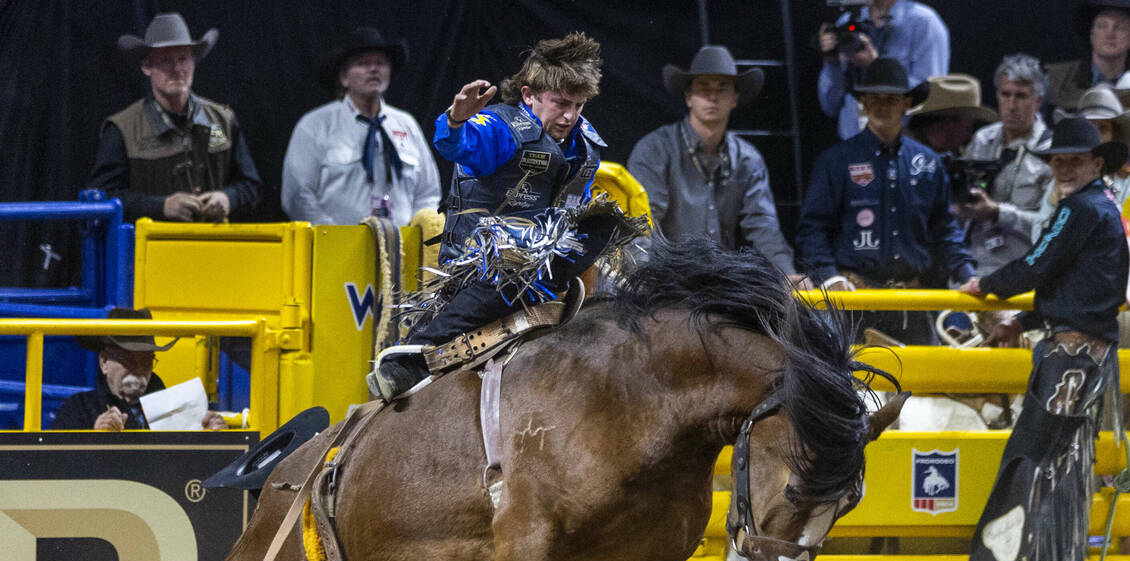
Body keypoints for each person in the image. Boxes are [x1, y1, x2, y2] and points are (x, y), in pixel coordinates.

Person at [369, 32, 638, 402]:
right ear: (529, 95)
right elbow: (459, 144)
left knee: (605, 223)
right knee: (518, 265)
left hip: (544, 261)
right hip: (482, 260)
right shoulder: (500, 128)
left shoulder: (584, 145)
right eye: (560, 103)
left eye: (578, 105)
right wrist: (456, 120)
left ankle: (557, 294)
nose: (569, 115)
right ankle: (409, 356)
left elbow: (577, 205)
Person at [948, 118, 1130, 561]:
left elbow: (1037, 263)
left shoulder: (1079, 209)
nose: (1063, 168)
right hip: (1089, 359)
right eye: (1057, 160)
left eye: (1074, 160)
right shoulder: (1104, 208)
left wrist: (988, 286)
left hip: (1068, 360)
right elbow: (1080, 285)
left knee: (1025, 465)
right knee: (1064, 480)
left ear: (1097, 163)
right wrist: (1026, 320)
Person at [795, 58, 974, 345]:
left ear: (906, 104)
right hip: (854, 303)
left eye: (891, 99)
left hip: (914, 303)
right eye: (874, 98)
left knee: (923, 375)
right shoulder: (835, 161)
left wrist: (967, 274)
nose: (882, 106)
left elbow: (944, 229)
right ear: (863, 102)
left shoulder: (928, 163)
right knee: (851, 374)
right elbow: (812, 230)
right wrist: (830, 277)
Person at [625, 46, 800, 281]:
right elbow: (643, 223)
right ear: (688, 97)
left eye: (722, 88)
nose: (712, 97)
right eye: (703, 87)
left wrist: (787, 274)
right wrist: (641, 280)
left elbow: (763, 225)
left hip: (722, 283)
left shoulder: (748, 158)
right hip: (666, 281)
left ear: (735, 98)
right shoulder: (655, 149)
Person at [87, 12, 261, 223]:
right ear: (146, 67)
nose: (177, 69)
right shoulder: (122, 129)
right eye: (165, 60)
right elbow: (101, 198)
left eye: (183, 59)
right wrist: (160, 207)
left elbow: (250, 186)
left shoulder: (221, 122)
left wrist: (228, 199)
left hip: (213, 242)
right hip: (150, 243)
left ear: (194, 62)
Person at [281, 26, 441, 225]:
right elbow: (298, 196)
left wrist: (416, 233)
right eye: (362, 63)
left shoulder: (406, 124)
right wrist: (335, 236)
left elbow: (428, 194)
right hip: (335, 241)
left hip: (402, 241)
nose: (373, 69)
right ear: (344, 77)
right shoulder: (315, 125)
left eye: (380, 63)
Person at [955, 55, 1053, 276]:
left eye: (1021, 96)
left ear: (1038, 101)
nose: (1011, 105)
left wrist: (998, 212)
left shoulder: (1052, 150)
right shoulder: (982, 139)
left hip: (1023, 269)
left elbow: (1053, 226)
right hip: (974, 265)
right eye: (1005, 94)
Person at [51, 310, 226, 431]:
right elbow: (60, 465)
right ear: (104, 362)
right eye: (127, 359)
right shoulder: (78, 409)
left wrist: (213, 436)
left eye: (146, 360)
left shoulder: (175, 410)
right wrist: (93, 438)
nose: (138, 368)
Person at [817, 0, 950, 140]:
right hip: (852, 142)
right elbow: (830, 106)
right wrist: (832, 63)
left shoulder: (924, 22)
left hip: (902, 144)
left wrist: (877, 66)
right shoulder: (848, 21)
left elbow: (933, 101)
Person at [1046, 0, 1130, 114]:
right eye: (1102, 26)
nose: (1110, 34)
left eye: (1120, 28)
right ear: (1092, 34)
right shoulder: (1055, 78)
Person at [905, 74, 997, 155]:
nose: (969, 135)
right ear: (947, 123)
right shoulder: (905, 153)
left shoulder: (957, 156)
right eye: (967, 128)